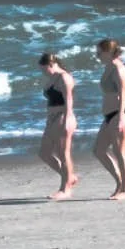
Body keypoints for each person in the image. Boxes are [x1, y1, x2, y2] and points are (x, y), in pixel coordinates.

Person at [91, 38, 125, 200]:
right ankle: (119, 183)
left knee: (120, 151)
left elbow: (123, 95)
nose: (97, 56)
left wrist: (121, 118)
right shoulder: (108, 67)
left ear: (108, 52)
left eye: (99, 53)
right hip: (109, 116)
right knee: (99, 150)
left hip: (120, 114)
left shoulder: (118, 69)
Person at [36, 51, 77, 200]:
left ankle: (65, 189)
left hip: (63, 117)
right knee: (44, 153)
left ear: (52, 64)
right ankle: (69, 177)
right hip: (52, 119)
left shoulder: (64, 77)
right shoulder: (52, 78)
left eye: (44, 68)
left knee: (63, 154)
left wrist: (67, 119)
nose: (43, 72)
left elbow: (69, 101)